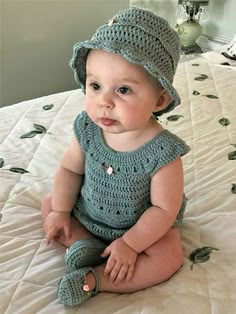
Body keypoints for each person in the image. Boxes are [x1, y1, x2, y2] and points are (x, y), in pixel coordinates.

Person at [41, 7, 190, 306]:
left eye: (123, 89)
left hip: (141, 229)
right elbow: (70, 171)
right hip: (89, 212)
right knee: (50, 203)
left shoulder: (164, 151)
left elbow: (163, 210)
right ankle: (83, 244)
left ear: (159, 100)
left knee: (170, 254)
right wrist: (59, 211)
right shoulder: (87, 128)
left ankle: (96, 279)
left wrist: (131, 244)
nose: (104, 102)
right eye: (95, 86)